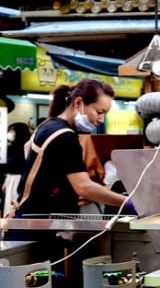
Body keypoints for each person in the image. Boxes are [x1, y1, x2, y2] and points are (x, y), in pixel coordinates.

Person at [12, 80, 135, 219]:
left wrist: (67, 188)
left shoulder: (47, 125)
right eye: (99, 112)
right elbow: (84, 187)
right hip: (41, 222)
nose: (101, 119)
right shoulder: (65, 136)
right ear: (78, 103)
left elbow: (28, 151)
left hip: (28, 216)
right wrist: (129, 203)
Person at [2, 122, 31, 217]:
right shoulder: (10, 147)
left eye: (11, 130)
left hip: (19, 180)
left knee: (14, 206)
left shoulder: (27, 147)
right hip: (11, 180)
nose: (9, 133)